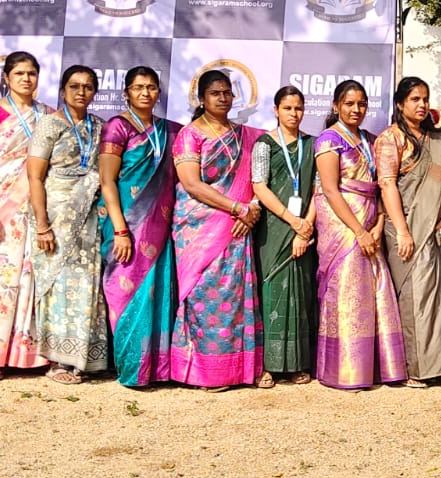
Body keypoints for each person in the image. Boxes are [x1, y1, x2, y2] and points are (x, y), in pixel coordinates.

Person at [170, 70, 264, 388]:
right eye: (215, 93)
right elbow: (192, 184)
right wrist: (237, 208)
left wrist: (251, 208)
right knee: (202, 296)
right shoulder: (190, 135)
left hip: (238, 227)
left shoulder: (245, 136)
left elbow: (256, 179)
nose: (223, 98)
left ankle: (235, 370)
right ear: (201, 99)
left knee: (235, 298)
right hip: (199, 228)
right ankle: (203, 372)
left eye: (227, 92)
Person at [313, 80, 406, 389]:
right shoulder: (328, 140)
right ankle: (345, 369)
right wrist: (358, 231)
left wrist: (377, 225)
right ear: (336, 106)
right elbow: (329, 190)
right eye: (349, 104)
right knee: (347, 290)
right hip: (343, 226)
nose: (356, 109)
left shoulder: (370, 139)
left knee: (374, 290)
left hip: (370, 220)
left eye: (362, 104)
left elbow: (379, 187)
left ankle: (375, 367)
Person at [98, 66, 179, 389]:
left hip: (160, 227)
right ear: (127, 93)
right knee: (124, 293)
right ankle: (132, 368)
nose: (146, 93)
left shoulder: (168, 130)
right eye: (138, 87)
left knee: (156, 294)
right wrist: (120, 229)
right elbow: (107, 181)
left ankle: (156, 369)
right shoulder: (117, 127)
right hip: (126, 225)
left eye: (151, 87)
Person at [376, 77, 441, 386]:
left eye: (425, 99)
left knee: (435, 295)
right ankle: (415, 368)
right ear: (400, 104)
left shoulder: (434, 139)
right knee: (414, 296)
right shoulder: (391, 138)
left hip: (431, 228)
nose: (422, 105)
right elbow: (387, 185)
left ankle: (440, 365)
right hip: (405, 227)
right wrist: (402, 231)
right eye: (414, 99)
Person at [26, 65, 108, 383]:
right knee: (57, 284)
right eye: (74, 86)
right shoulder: (49, 124)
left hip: (88, 216)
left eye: (88, 86)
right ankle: (57, 360)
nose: (81, 92)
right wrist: (42, 225)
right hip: (55, 214)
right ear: (63, 90)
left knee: (86, 284)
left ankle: (83, 358)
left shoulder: (99, 126)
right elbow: (35, 176)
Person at [0, 52, 49, 379]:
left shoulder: (48, 114)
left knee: (32, 276)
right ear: (6, 77)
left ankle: (29, 355)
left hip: (37, 209)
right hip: (2, 207)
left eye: (31, 73)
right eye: (19, 73)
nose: (26, 79)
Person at [251, 85, 319, 387]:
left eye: (299, 108)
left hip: (304, 229)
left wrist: (306, 226)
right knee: (271, 291)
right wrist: (292, 220)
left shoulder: (313, 145)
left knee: (300, 293)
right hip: (274, 229)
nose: (294, 114)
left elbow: (318, 190)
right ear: (276, 110)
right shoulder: (264, 144)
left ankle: (297, 364)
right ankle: (268, 365)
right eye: (288, 108)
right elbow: (259, 186)